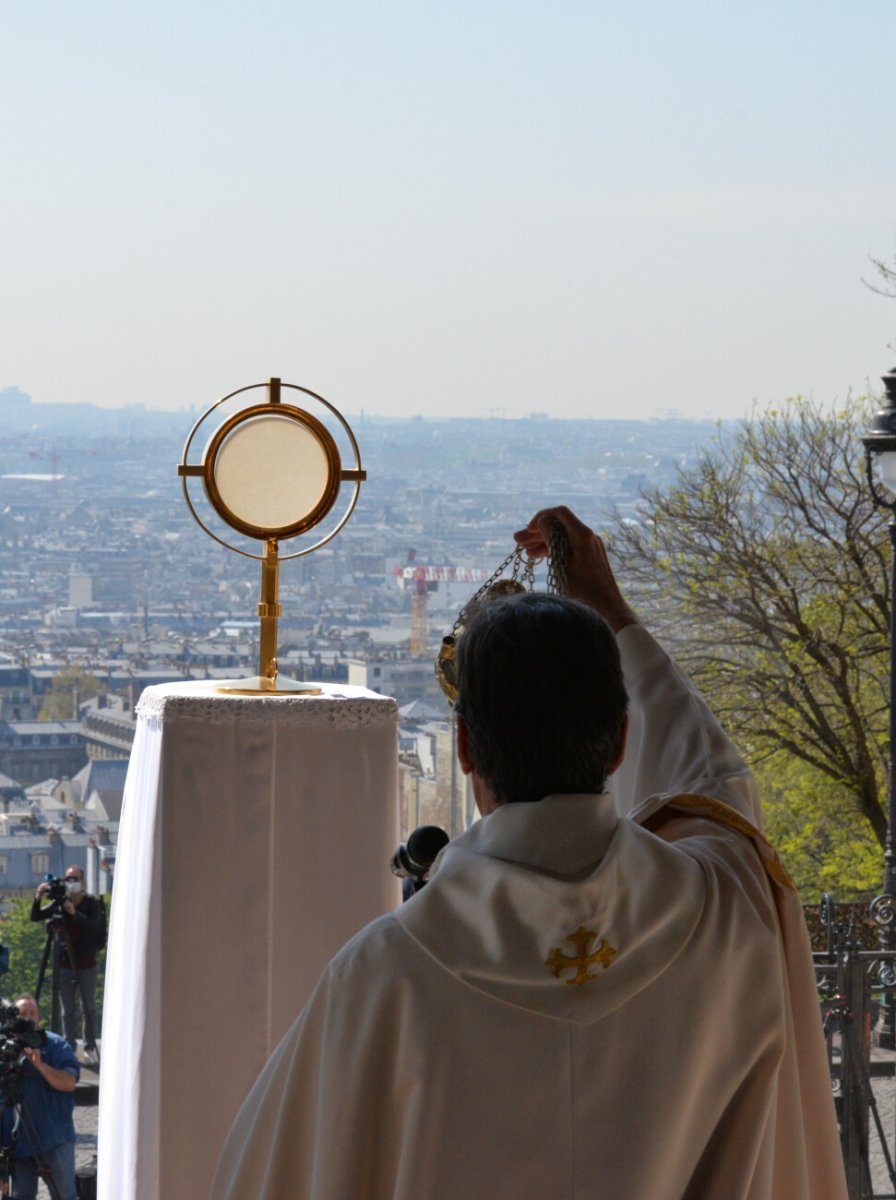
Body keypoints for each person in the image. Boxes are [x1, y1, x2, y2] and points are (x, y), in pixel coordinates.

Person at [212, 507, 848, 1200]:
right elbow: (709, 778)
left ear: (461, 747)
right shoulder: (729, 912)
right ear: (619, 743)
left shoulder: (379, 978)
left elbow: (262, 1177)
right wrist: (611, 608)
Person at [1, 993, 79, 1200]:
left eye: (32, 1013)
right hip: (16, 1142)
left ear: (38, 1017)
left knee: (65, 1195)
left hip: (54, 1139)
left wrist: (40, 1065)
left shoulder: (55, 1044)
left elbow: (69, 1083)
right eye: (22, 1013)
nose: (27, 1017)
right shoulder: (5, 1048)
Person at [31, 866, 103, 1065]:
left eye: (75, 878)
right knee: (67, 1009)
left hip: (86, 963)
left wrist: (74, 914)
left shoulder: (90, 903)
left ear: (83, 880)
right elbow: (36, 916)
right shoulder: (61, 903)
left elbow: (94, 927)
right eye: (68, 878)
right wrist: (38, 897)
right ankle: (68, 1046)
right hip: (64, 963)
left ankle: (89, 1047)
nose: (71, 882)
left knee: (88, 1006)